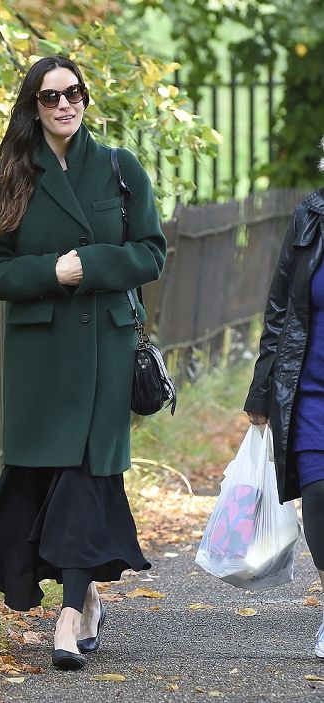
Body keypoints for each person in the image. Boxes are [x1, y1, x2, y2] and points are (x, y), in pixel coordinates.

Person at [0, 56, 167, 670]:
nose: (65, 104)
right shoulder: (9, 178)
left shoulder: (118, 167)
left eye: (75, 93)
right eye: (52, 95)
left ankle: (67, 617)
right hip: (42, 355)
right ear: (33, 106)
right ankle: (86, 602)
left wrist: (92, 265)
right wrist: (52, 273)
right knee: (48, 476)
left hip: (106, 350)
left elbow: (151, 252)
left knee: (85, 473)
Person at [244, 140, 324, 659]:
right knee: (318, 497)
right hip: (311, 391)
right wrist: (262, 387)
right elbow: (279, 308)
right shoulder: (310, 217)